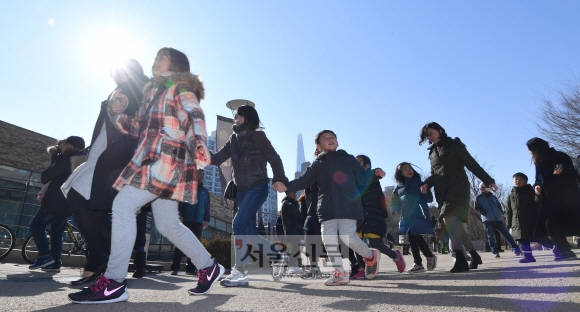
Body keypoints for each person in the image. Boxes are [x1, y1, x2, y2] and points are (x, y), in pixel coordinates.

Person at [69, 47, 224, 304]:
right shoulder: (153, 94)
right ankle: (208, 267)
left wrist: (198, 148)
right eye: (154, 59)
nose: (155, 62)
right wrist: (117, 113)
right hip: (153, 162)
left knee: (123, 205)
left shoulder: (179, 87)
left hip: (166, 162)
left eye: (160, 59)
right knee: (167, 224)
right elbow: (137, 128)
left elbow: (194, 115)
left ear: (174, 65)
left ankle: (115, 282)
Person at [62, 58, 147, 286]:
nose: (114, 74)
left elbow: (136, 124)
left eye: (118, 70)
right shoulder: (119, 91)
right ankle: (99, 262)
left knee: (77, 197)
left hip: (114, 159)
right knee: (95, 208)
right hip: (101, 155)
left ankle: (100, 259)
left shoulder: (135, 92)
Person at [280, 130, 384, 286]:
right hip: (327, 208)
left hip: (348, 206)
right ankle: (340, 273)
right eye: (325, 138)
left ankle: (370, 256)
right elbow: (304, 180)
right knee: (327, 239)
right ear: (319, 145)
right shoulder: (318, 163)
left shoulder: (347, 158)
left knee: (347, 236)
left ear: (338, 141)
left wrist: (374, 174)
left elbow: (362, 177)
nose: (330, 140)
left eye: (332, 137)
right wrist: (286, 186)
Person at [210, 104, 288, 287]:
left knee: (238, 223)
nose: (235, 118)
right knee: (250, 232)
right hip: (242, 190)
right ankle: (278, 256)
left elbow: (275, 159)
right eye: (235, 115)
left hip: (258, 186)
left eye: (238, 115)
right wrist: (201, 153)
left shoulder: (258, 136)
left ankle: (240, 271)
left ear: (247, 117)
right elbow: (217, 159)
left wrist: (279, 178)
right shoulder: (233, 139)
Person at [419, 122, 494, 273]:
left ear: (440, 131)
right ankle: (474, 254)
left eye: (432, 133)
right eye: (427, 135)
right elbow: (434, 174)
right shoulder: (432, 152)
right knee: (455, 225)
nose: (430, 136)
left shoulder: (454, 145)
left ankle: (460, 259)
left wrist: (488, 180)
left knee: (448, 218)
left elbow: (472, 164)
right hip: (442, 192)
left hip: (458, 188)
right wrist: (426, 184)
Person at [29, 136, 86, 272]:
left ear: (71, 145)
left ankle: (45, 256)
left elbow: (46, 176)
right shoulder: (82, 161)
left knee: (36, 225)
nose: (61, 146)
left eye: (64, 144)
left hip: (55, 200)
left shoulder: (66, 158)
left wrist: (55, 160)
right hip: (68, 203)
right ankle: (55, 263)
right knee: (56, 233)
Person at [351, 155, 406, 280]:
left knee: (375, 243)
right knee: (355, 242)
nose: (356, 165)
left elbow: (372, 176)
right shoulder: (352, 180)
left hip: (372, 215)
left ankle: (396, 256)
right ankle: (361, 268)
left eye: (359, 162)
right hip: (357, 216)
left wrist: (376, 172)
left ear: (367, 166)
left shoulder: (371, 179)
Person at [526, 138, 580, 261]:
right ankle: (565, 251)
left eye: (531, 150)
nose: (530, 153)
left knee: (574, 222)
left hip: (566, 197)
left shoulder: (560, 155)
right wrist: (537, 186)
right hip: (548, 198)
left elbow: (574, 172)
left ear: (537, 148)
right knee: (550, 224)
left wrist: (564, 170)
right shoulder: (538, 162)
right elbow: (538, 179)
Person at [391, 162, 436, 273]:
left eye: (410, 168)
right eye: (405, 169)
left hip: (418, 212)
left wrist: (425, 192)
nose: (408, 170)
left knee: (415, 236)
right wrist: (395, 210)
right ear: (400, 173)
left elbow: (429, 199)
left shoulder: (420, 183)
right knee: (412, 238)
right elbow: (394, 201)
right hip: (406, 216)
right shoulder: (398, 188)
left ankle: (427, 257)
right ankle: (419, 263)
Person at [505, 172, 555, 263]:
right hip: (517, 223)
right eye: (516, 179)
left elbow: (538, 202)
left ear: (525, 181)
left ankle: (558, 249)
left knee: (540, 238)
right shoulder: (510, 196)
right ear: (513, 181)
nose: (518, 181)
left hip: (531, 221)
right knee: (522, 240)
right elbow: (508, 212)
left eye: (521, 179)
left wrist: (538, 194)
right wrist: (509, 225)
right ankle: (528, 257)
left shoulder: (531, 191)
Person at [171, 168, 211, 275]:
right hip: (187, 219)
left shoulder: (205, 192)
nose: (202, 175)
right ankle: (175, 267)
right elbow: (181, 202)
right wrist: (180, 214)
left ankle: (191, 268)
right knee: (181, 243)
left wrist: (206, 219)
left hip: (198, 221)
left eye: (203, 174)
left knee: (195, 246)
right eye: (200, 174)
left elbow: (207, 207)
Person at [475, 182, 522, 258]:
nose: (488, 188)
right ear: (482, 189)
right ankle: (495, 251)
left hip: (498, 219)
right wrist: (484, 212)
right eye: (486, 187)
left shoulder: (493, 197)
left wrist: (501, 214)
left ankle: (516, 249)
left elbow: (499, 206)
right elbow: (477, 208)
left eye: (489, 187)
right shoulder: (478, 198)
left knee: (507, 234)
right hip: (487, 220)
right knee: (491, 237)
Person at [281, 191, 303, 274]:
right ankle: (291, 266)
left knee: (295, 248)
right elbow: (296, 212)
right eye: (292, 192)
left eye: (295, 193)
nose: (294, 194)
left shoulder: (290, 203)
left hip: (294, 229)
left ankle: (292, 266)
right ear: (287, 193)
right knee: (294, 248)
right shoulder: (286, 203)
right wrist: (297, 203)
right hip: (291, 230)